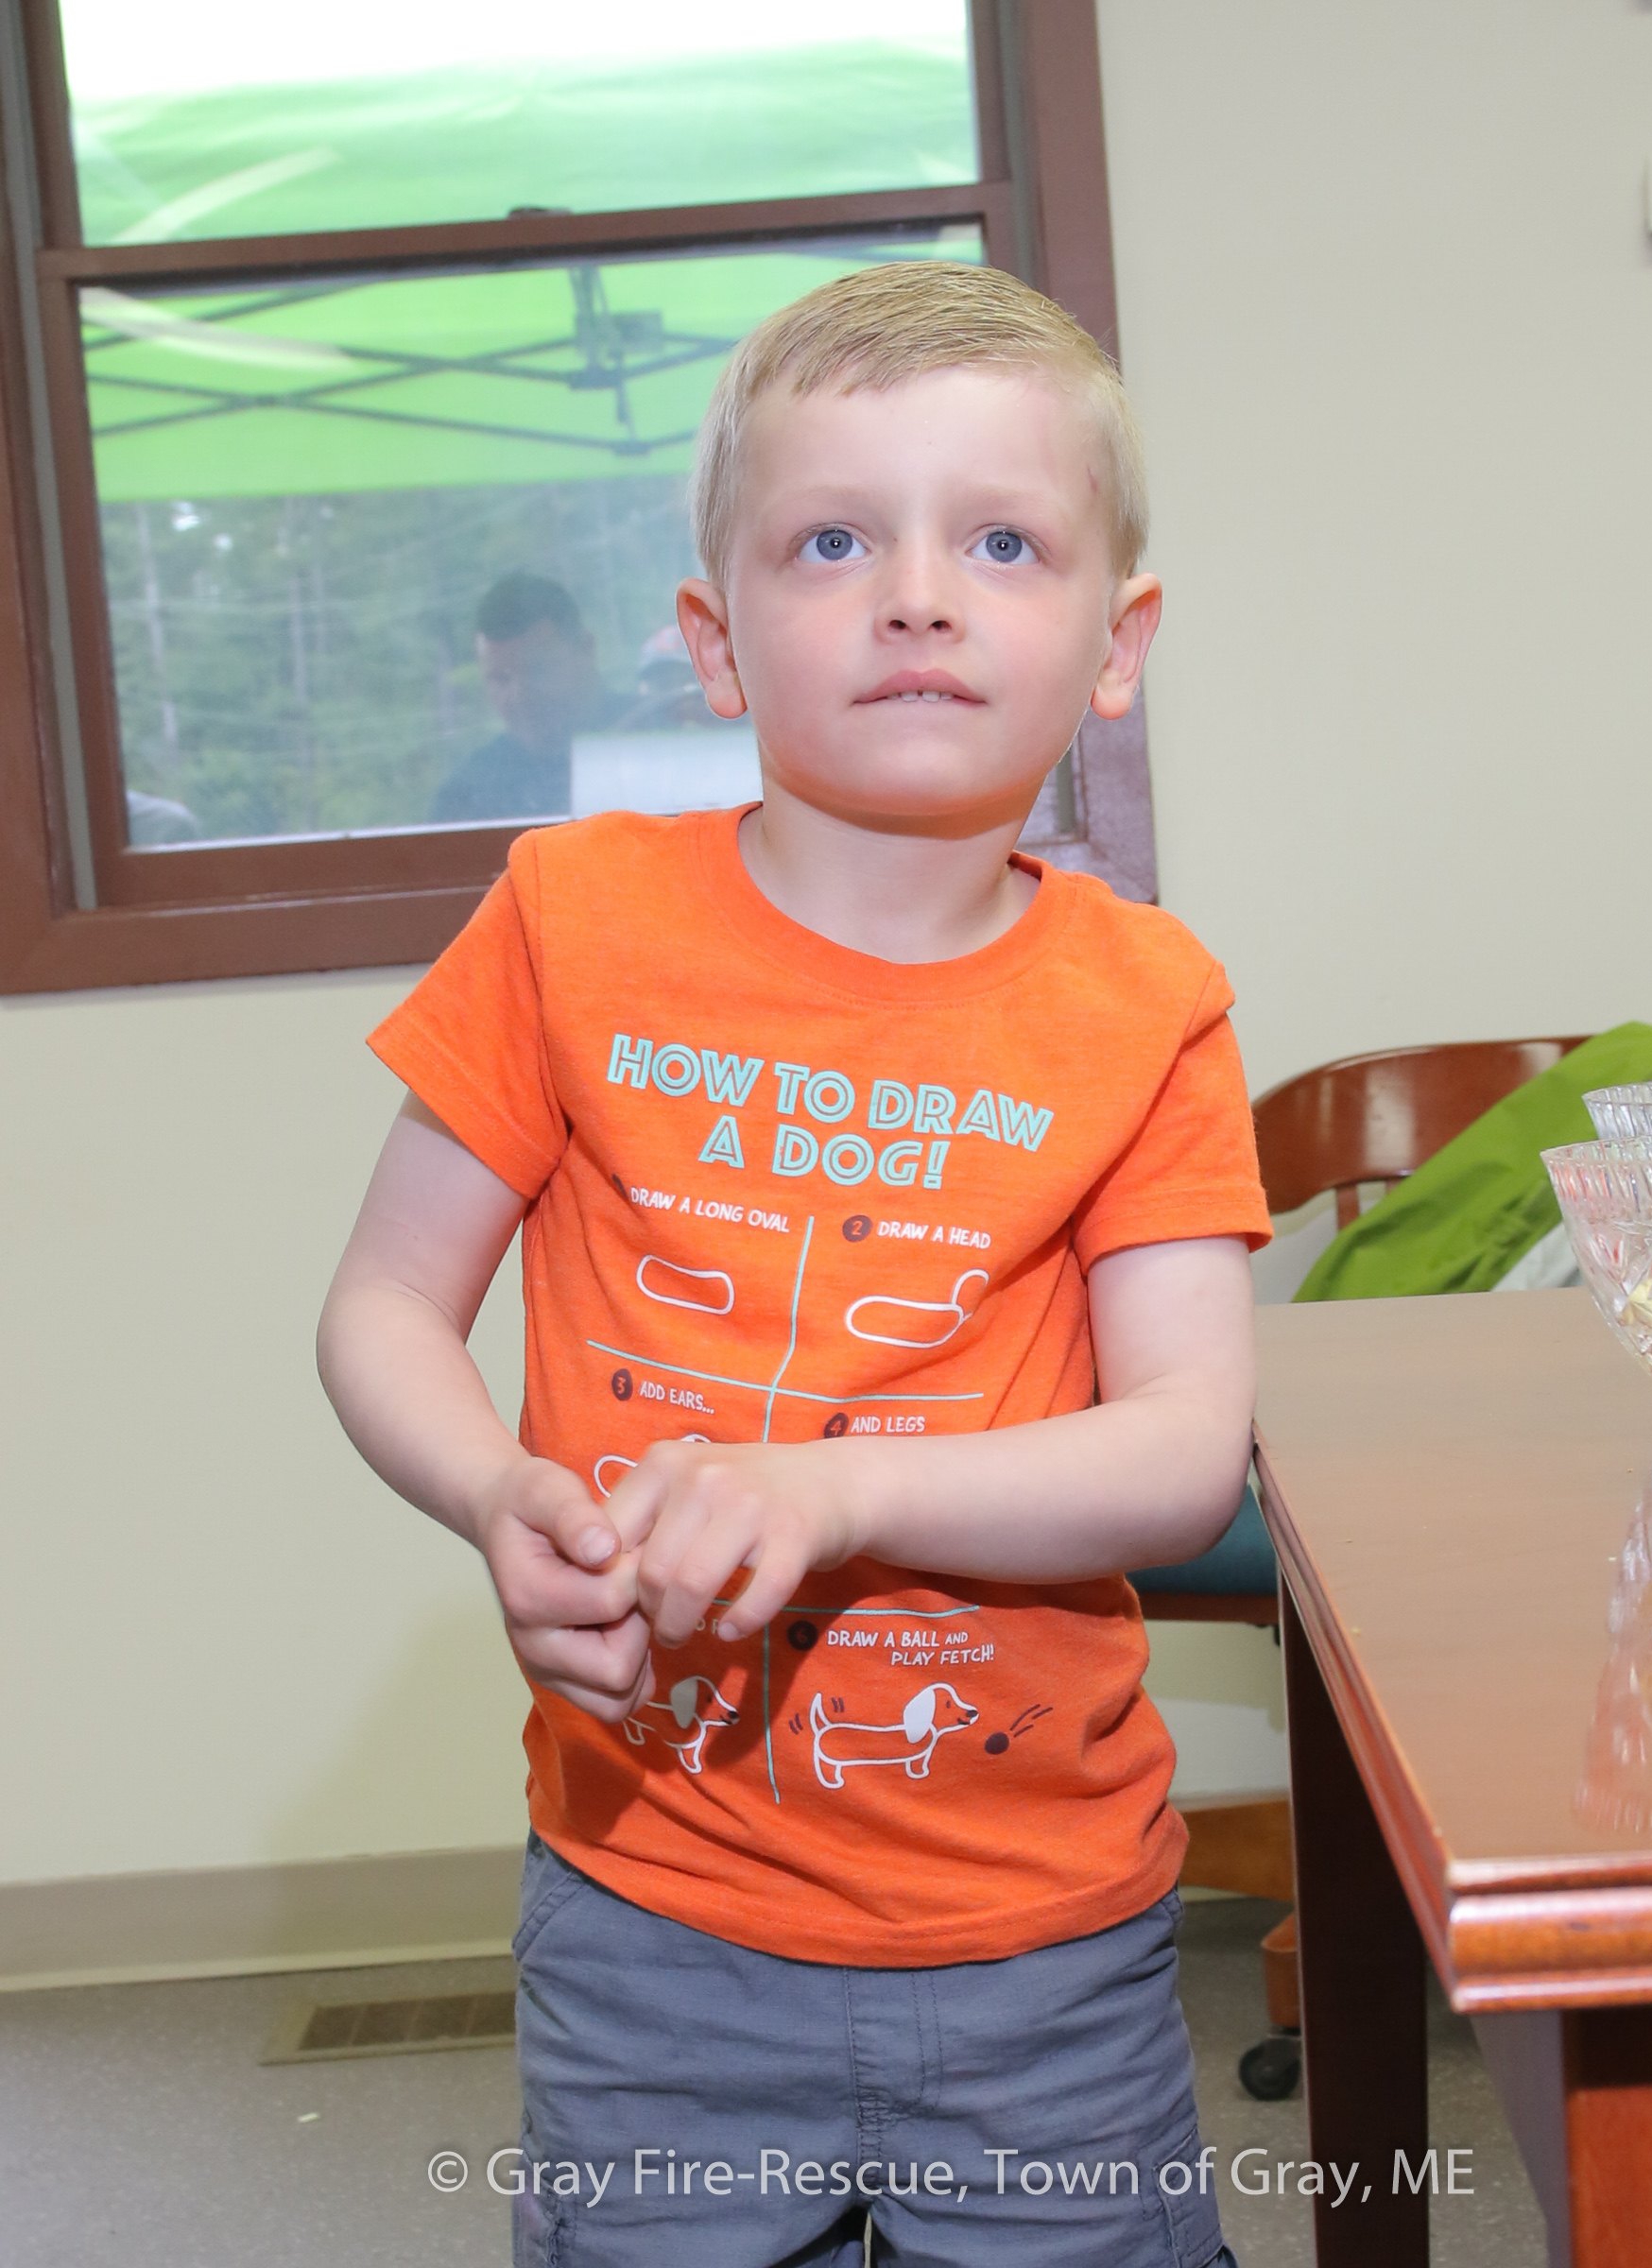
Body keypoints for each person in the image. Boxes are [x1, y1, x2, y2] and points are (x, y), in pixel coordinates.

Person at [318, 262, 1269, 2268]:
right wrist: (493, 1493)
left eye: (1001, 542)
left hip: (1044, 1939)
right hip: (653, 1917)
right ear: (715, 639)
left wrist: (836, 1494)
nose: (917, 596)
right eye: (833, 541)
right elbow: (385, 1307)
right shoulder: (568, 920)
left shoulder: (1152, 1000)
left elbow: (1188, 1448)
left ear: (1118, 642)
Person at [431, 572, 626, 823]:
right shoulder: (466, 797)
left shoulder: (660, 738)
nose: (521, 697)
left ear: (586, 651)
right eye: (500, 679)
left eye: (537, 670)